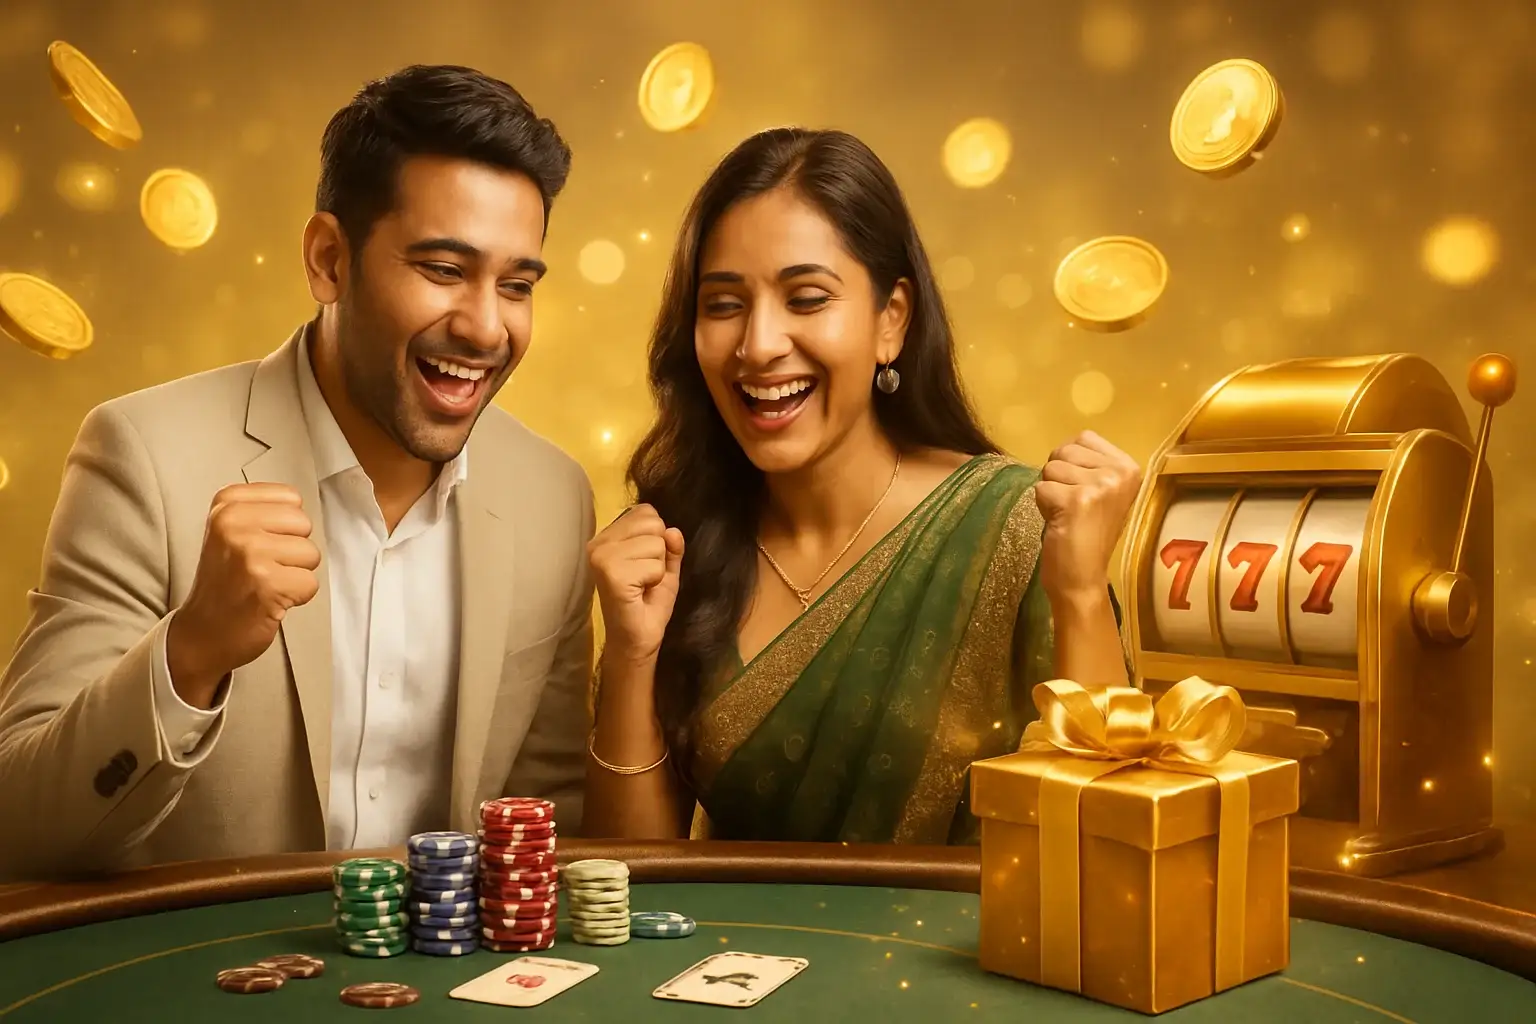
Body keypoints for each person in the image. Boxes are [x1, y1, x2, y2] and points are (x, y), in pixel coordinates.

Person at [0, 65, 594, 880]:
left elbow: (551, 832)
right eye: (443, 270)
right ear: (328, 260)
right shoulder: (143, 456)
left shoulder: (554, 499)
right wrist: (192, 650)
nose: (486, 328)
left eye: (517, 285)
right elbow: (20, 830)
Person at [583, 128, 1141, 845]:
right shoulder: (684, 547)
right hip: (732, 928)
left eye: (806, 298)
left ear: (891, 321)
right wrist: (630, 657)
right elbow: (632, 877)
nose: (758, 344)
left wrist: (1082, 594)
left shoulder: (1017, 529)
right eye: (723, 305)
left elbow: (1111, 847)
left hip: (980, 925)